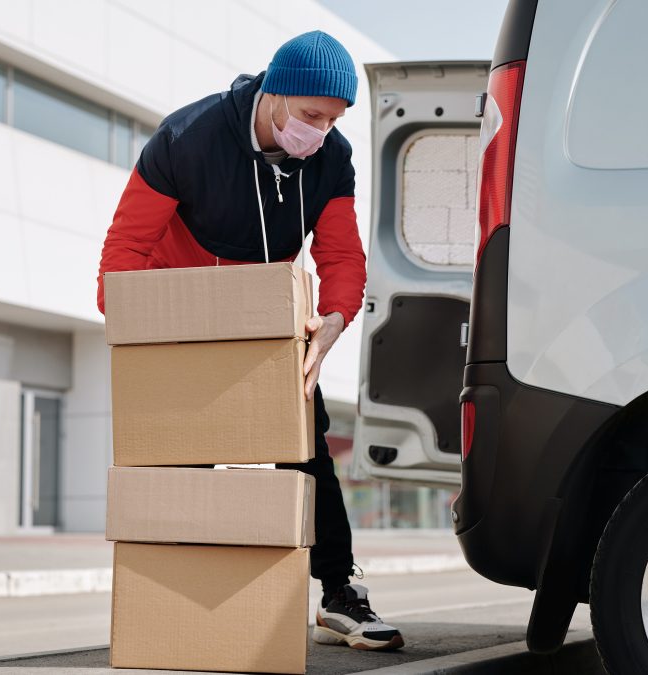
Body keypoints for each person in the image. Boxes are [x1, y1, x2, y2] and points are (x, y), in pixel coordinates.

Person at [96, 30, 404, 652]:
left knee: (307, 453)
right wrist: (136, 335)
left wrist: (336, 319)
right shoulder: (188, 138)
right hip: (183, 320)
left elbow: (343, 253)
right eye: (311, 115)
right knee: (186, 466)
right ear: (273, 96)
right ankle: (173, 603)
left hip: (267, 321)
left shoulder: (329, 157)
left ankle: (340, 594)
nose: (320, 131)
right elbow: (124, 250)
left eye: (333, 119)